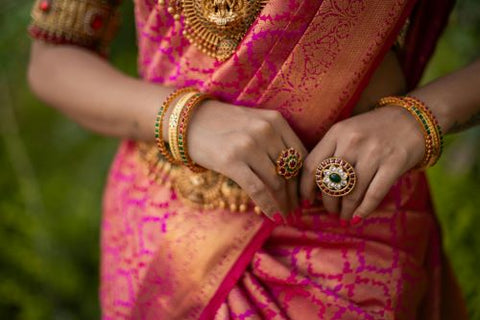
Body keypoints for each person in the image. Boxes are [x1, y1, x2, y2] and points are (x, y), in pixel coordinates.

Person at [27, 0, 479, 319]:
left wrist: (419, 121)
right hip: (167, 237)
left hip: (353, 234)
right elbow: (54, 57)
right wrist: (187, 120)